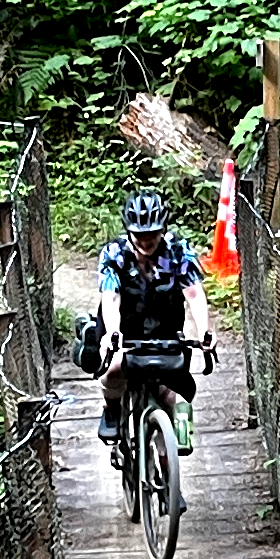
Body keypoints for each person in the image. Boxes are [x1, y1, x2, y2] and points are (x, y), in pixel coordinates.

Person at [97, 188, 214, 452]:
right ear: (129, 230)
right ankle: (112, 409)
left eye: (152, 233)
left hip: (165, 330)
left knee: (170, 395)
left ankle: (169, 476)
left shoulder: (177, 251)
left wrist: (205, 331)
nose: (146, 240)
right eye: (139, 233)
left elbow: (193, 293)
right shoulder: (114, 253)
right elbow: (111, 296)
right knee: (115, 368)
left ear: (162, 229)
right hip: (123, 329)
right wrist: (113, 333)